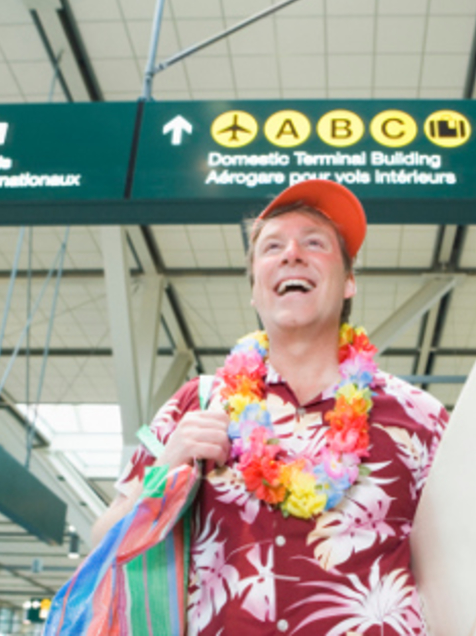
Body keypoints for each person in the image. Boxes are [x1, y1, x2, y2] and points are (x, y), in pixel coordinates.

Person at [93, 179, 450, 635]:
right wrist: (168, 465)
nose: (292, 254)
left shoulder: (421, 418)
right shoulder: (197, 404)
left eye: (315, 243)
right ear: (255, 290)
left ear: (349, 283)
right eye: (272, 246)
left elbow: (465, 566)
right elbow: (101, 543)